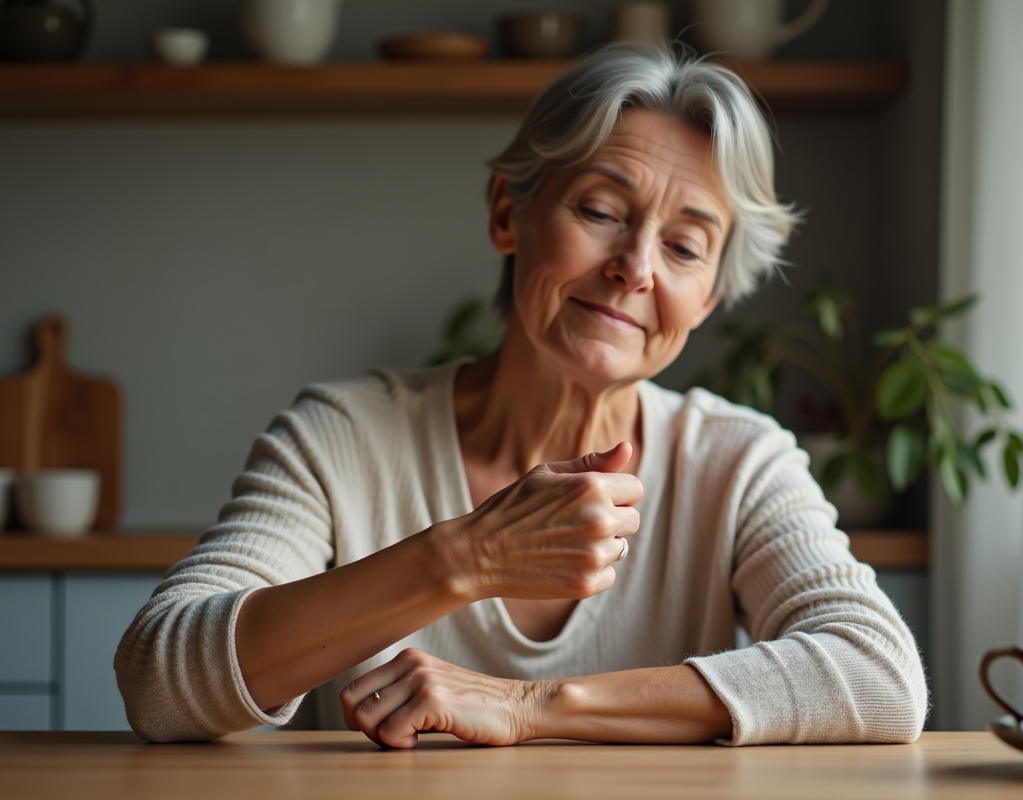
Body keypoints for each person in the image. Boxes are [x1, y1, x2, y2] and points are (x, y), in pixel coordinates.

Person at [115, 43, 926, 748]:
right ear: (509, 213)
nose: (636, 268)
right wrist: (466, 557)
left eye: (683, 247)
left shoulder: (738, 461)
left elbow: (880, 676)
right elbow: (158, 679)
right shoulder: (343, 437)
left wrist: (531, 705)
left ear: (708, 296)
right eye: (601, 210)